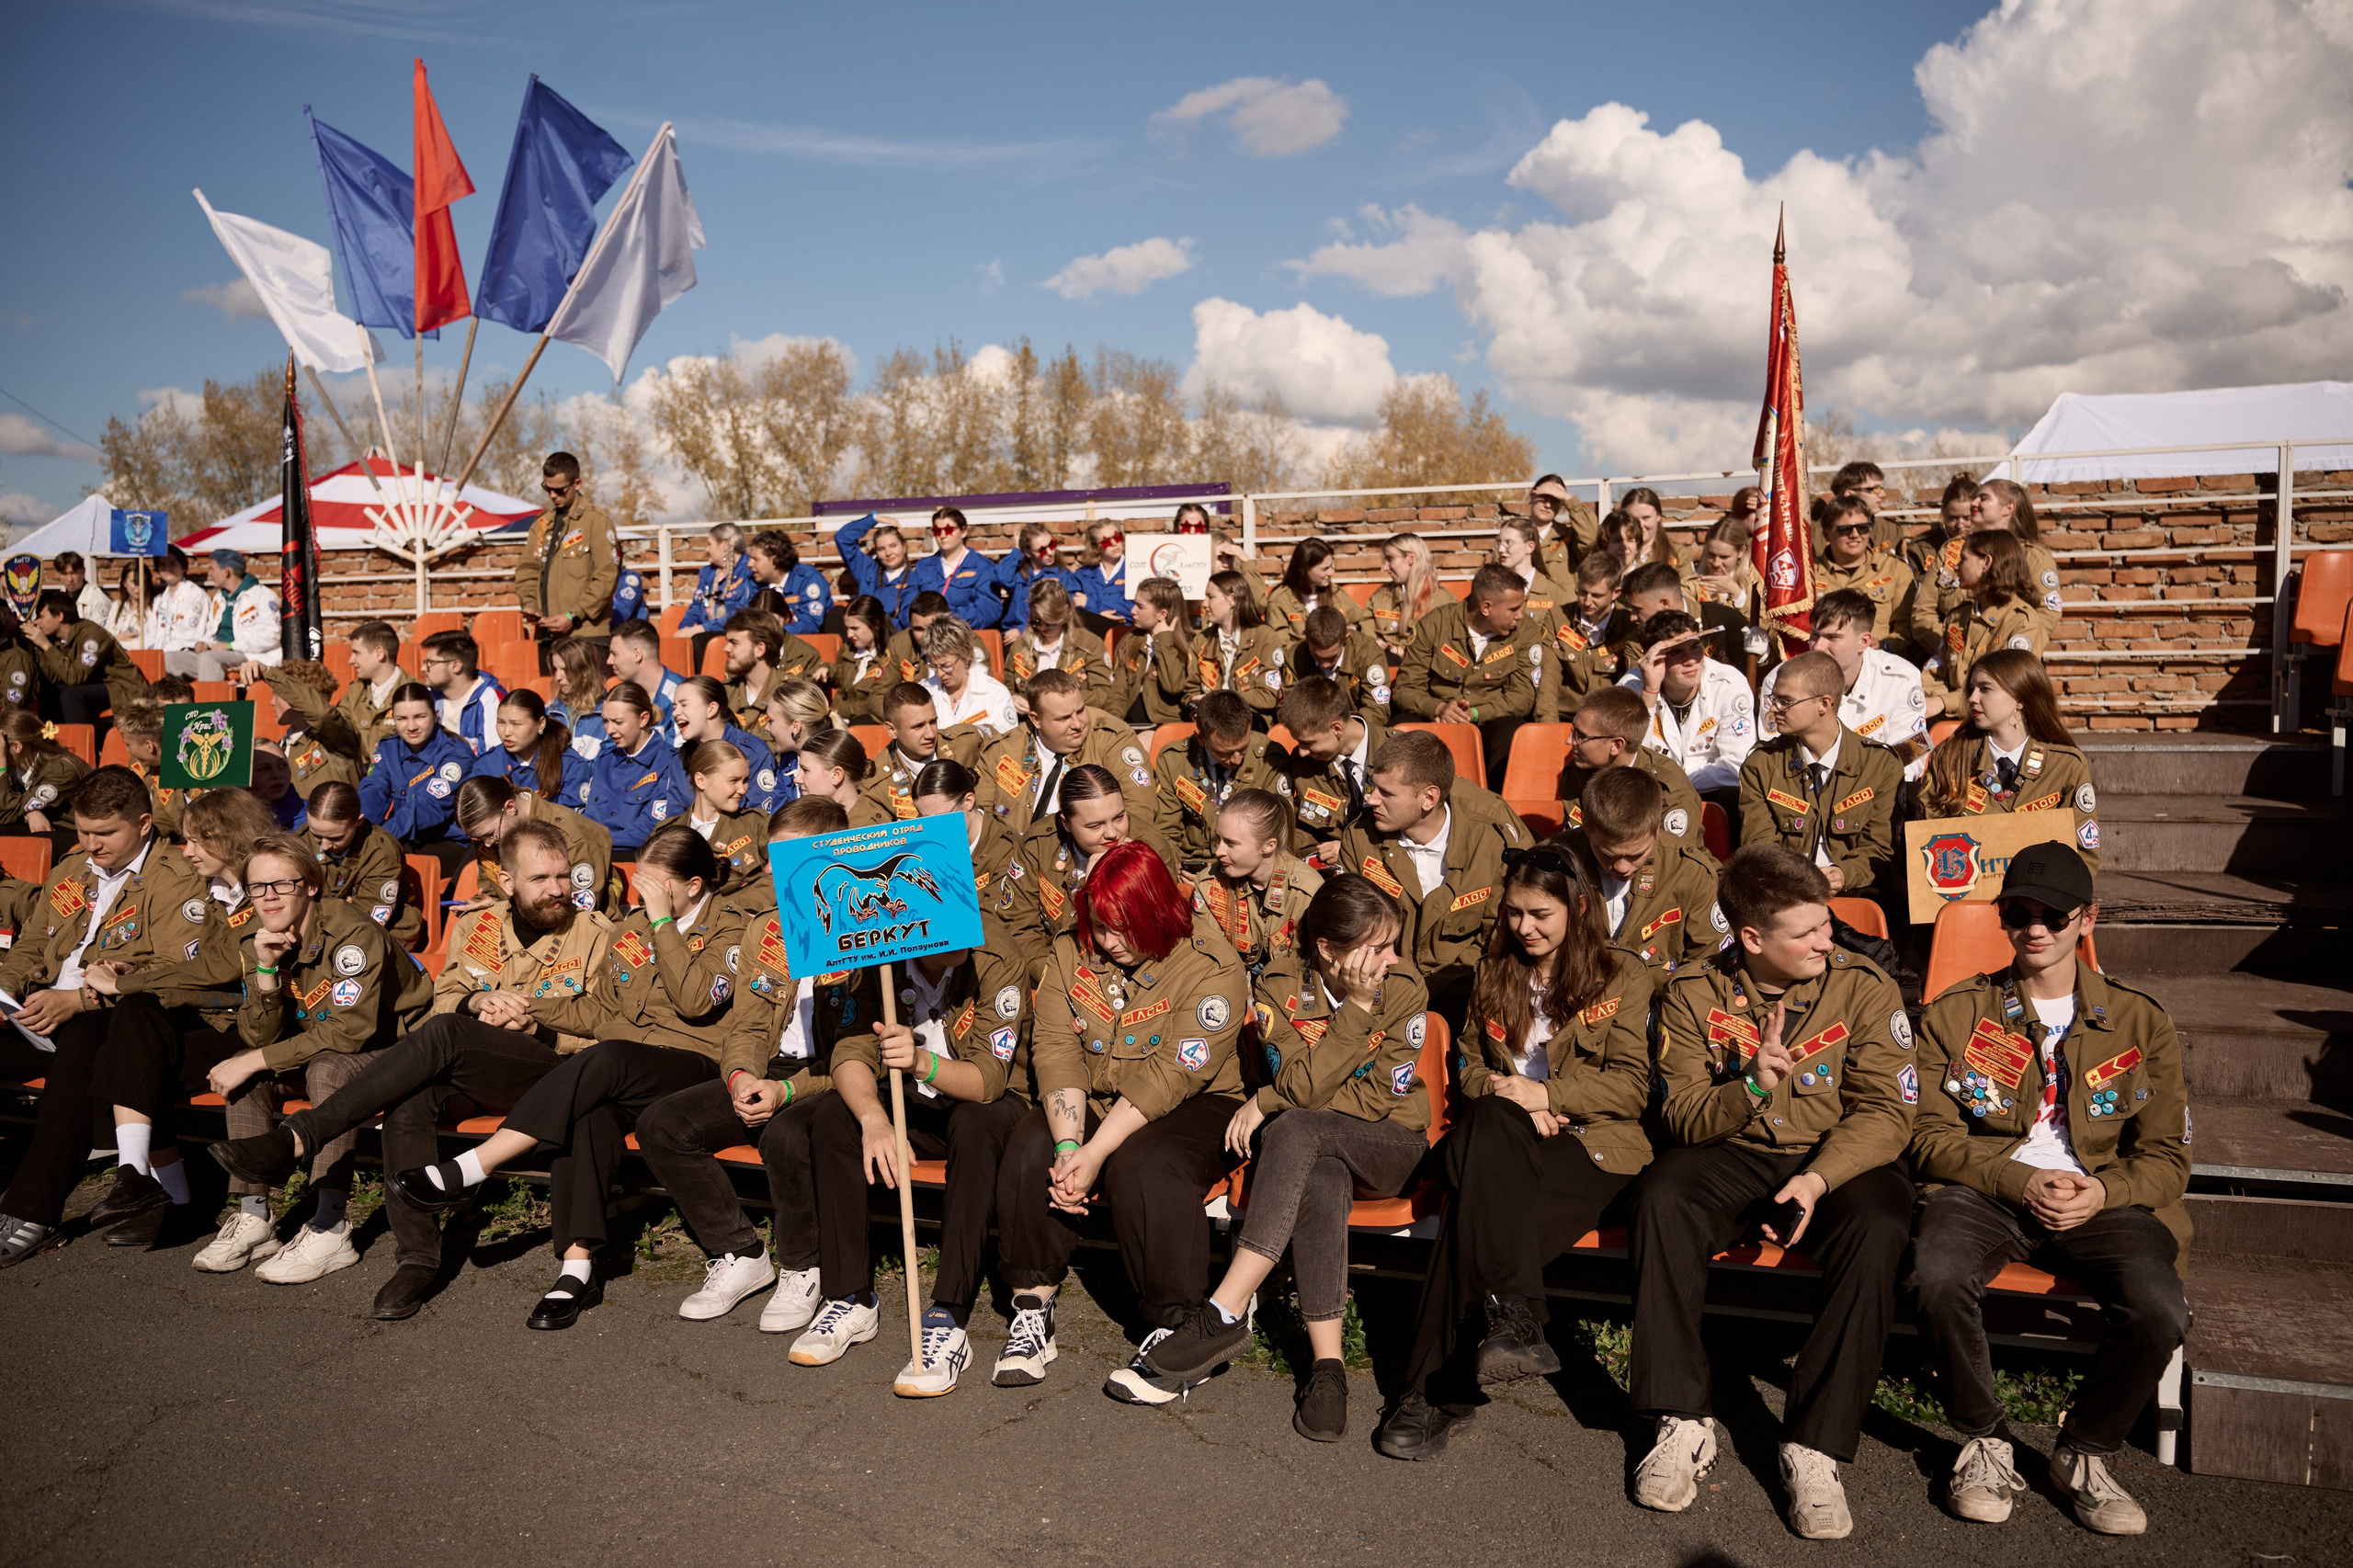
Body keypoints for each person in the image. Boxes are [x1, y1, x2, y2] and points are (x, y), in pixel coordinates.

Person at [209, 816, 615, 1319]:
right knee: (409, 1100)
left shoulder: (598, 935)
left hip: (553, 1072)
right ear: (507, 882)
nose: (558, 890)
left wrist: (534, 1025)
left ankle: (298, 1136)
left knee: (442, 1034)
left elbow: (608, 1023)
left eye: (562, 876)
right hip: (477, 1067)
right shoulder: (477, 924)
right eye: (541, 879)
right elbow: (447, 998)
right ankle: (418, 1258)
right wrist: (476, 1003)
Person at [1632, 845, 1915, 1540]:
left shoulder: (1864, 985)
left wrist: (1818, 1179)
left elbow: (1888, 1111)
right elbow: (1682, 1117)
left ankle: (1814, 1446)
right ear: (1752, 938)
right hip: (1734, 1150)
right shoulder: (1695, 990)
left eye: (1825, 923)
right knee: (1664, 1196)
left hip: (1832, 1159)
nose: (1827, 939)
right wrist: (1752, 1086)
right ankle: (1681, 1419)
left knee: (1879, 1223)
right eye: (1808, 931)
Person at [1906, 843, 2188, 1537]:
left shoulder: (2139, 1020)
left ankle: (2084, 1452)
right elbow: (1926, 1137)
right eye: (2017, 914)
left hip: (2098, 1196)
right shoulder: (1955, 1013)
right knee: (1934, 1276)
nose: (2034, 928)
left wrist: (2103, 1190)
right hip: (1984, 1188)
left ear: (2086, 919)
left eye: (2053, 915)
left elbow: (2167, 1157)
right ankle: (1984, 1439)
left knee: (2158, 1307)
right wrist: (2018, 1178)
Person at [387, 824, 745, 1328]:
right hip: (626, 1069)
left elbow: (694, 999)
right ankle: (577, 1269)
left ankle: (474, 1166)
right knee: (588, 1111)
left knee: (606, 1058)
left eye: (655, 885)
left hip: (692, 1066)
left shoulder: (734, 928)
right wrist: (530, 1008)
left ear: (692, 885)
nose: (643, 895)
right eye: (642, 882)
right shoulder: (631, 930)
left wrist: (662, 921)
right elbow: (597, 1009)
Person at [1372, 844, 1654, 1460]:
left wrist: (1547, 1093)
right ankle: (1512, 1320)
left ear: (1578, 910)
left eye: (1540, 916)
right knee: (1495, 1125)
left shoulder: (1622, 975)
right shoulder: (1494, 969)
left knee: (1469, 1222)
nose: (1523, 927)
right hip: (1497, 1133)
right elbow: (1470, 1069)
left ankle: (1428, 1394)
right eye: (1514, 913)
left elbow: (1632, 1086)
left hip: (1589, 1145)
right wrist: (1510, 1095)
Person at [1147, 878, 1428, 1437]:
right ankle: (1329, 1369)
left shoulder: (1404, 987)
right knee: (1319, 1172)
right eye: (1378, 947)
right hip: (1316, 1149)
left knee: (1298, 1126)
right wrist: (1349, 1018)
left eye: (1393, 943)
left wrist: (1272, 1099)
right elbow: (1299, 1082)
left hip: (1393, 1144)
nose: (1393, 957)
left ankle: (1224, 1310)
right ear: (1328, 949)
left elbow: (1374, 1102)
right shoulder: (1278, 985)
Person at [990, 839, 1247, 1402]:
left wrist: (1096, 1151)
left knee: (1146, 1165)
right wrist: (1067, 1149)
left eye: (1120, 930)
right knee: (1031, 1146)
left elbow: (1171, 1076)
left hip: (1198, 1102)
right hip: (1097, 1092)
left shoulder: (1212, 967)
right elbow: (1055, 1047)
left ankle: (1176, 1325)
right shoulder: (1074, 948)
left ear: (1156, 913)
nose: (1106, 944)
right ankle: (1033, 1304)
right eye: (1099, 928)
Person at [773, 908, 1032, 1393]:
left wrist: (918, 1061)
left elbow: (988, 1081)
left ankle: (948, 1317)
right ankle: (849, 1297)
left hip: (985, 1101)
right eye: (940, 925)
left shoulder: (996, 955)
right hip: (910, 1100)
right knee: (834, 1114)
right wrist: (874, 1119)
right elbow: (850, 1053)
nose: (960, 933)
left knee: (975, 1127)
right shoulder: (877, 954)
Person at [623, 799, 850, 1330]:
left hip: (833, 1076)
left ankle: (803, 1265)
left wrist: (787, 1092)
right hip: (773, 1064)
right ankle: (741, 1253)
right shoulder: (765, 928)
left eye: (791, 859)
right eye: (773, 859)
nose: (775, 873)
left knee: (784, 1135)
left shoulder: (865, 928)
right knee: (662, 1124)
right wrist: (742, 1076)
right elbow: (747, 1025)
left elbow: (856, 1049)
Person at [0, 767, 230, 1267]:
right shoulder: (71, 868)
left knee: (82, 1047)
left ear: (144, 824)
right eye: (83, 831)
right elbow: (35, 944)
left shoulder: (176, 877)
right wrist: (5, 988)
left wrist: (80, 1001)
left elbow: (177, 969)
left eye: (105, 833)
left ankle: (31, 1210)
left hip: (115, 1015)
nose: (91, 844)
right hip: (36, 1008)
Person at [199, 831, 434, 1281]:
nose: (268, 897)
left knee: (326, 1068)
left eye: (282, 884)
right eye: (257, 887)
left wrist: (257, 1056)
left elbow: (350, 1032)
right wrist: (266, 974)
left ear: (309, 885)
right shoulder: (258, 934)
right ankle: (254, 1217)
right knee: (246, 1073)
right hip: (324, 1039)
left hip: (396, 1048)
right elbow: (255, 1034)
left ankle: (330, 1224)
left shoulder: (353, 934)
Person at [70, 787, 267, 1257]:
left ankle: (169, 1196)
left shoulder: (267, 887)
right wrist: (133, 976)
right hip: (219, 1014)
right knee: (136, 1034)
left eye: (198, 841)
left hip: (260, 1025)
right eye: (185, 840)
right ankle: (138, 1179)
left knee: (138, 1042)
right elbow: (199, 967)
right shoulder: (218, 891)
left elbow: (222, 972)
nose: (188, 851)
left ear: (231, 839)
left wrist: (130, 984)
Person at [1336, 728, 1528, 1020]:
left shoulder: (1491, 843)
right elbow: (1352, 929)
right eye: (1373, 787)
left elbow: (1497, 938)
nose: (1372, 800)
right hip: (1384, 994)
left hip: (1467, 996)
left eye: (1386, 793)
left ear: (1429, 798)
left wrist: (1430, 989)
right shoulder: (1359, 839)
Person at [1740, 652, 1904, 900]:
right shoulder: (1761, 764)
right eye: (1774, 699)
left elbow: (1880, 849)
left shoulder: (1880, 764)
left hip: (1858, 893)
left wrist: (1844, 873)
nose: (1774, 709)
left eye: (1786, 701)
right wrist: (1801, 878)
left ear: (1824, 704)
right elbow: (1759, 848)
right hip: (1784, 897)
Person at [1920, 650, 2103, 872]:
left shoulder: (2066, 766)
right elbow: (1924, 841)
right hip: (1968, 899)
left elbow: (2084, 857)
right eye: (1972, 689)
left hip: (2039, 901)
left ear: (2020, 700)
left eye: (1985, 689)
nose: (1972, 698)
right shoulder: (1949, 758)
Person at [1002, 763, 1179, 981]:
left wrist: (1101, 885)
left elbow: (1159, 933)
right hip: (1054, 970)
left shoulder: (1151, 849)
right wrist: (1057, 975)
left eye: (1119, 817)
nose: (1113, 833)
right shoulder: (1038, 845)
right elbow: (1019, 926)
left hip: (1129, 976)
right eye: (1095, 826)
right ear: (1066, 823)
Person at [1558, 766, 1727, 976]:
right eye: (1607, 855)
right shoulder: (1554, 863)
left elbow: (1708, 966)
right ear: (1587, 827)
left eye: (1636, 855)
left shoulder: (1689, 872)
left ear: (1656, 829)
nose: (1622, 867)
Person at [1760, 590, 1931, 782]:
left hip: (1876, 791)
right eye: (1814, 635)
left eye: (1833, 638)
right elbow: (1773, 755)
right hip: (1804, 789)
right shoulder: (1781, 680)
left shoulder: (1901, 678)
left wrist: (1858, 788)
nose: (1817, 647)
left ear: (1863, 642)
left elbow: (1913, 752)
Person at [1392, 564, 1536, 792]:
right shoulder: (1435, 625)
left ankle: (1499, 807)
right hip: (1436, 721)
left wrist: (1475, 713)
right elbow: (1404, 689)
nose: (1520, 615)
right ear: (1486, 607)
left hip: (1489, 722)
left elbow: (1523, 696)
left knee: (1513, 731)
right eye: (1514, 609)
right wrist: (1438, 708)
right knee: (1399, 727)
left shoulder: (1526, 631)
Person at [974, 668, 1156, 835]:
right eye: (1064, 718)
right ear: (1036, 719)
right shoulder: (1002, 750)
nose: (1077, 724)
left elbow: (1140, 812)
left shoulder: (1112, 738)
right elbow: (980, 820)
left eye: (1080, 710)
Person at [1620, 610, 1756, 820]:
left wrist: (1678, 784)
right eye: (1676, 653)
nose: (1691, 660)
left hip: (1711, 791)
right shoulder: (1630, 687)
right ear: (1654, 658)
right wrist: (1650, 692)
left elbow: (1736, 765)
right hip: (1649, 796)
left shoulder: (1728, 682)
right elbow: (1629, 758)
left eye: (1695, 647)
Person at [1152, 689, 1291, 871]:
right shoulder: (1174, 760)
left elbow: (1278, 834)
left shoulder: (1269, 758)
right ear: (1201, 738)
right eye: (1224, 753)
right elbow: (1167, 834)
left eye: (1243, 749)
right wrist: (1172, 871)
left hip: (1248, 867)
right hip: (1191, 865)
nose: (1236, 760)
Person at [1191, 788, 1321, 981]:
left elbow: (1311, 966)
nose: (1218, 851)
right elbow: (1210, 958)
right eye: (1218, 839)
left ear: (1268, 846)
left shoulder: (1307, 892)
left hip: (1291, 985)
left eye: (1231, 843)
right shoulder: (1208, 884)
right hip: (1231, 980)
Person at [1552, 685, 1707, 846]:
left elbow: (1672, 858)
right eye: (1572, 731)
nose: (1569, 741)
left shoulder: (1669, 787)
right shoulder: (1578, 772)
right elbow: (1577, 842)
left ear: (1616, 746)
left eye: (1580, 736)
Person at [358, 683, 480, 879]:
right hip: (403, 836)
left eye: (420, 717)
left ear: (435, 715)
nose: (411, 726)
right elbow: (373, 790)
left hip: (448, 843)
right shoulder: (388, 748)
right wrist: (358, 829)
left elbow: (427, 807)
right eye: (402, 719)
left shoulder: (456, 755)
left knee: (383, 859)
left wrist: (378, 839)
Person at [1923, 531, 2047, 720]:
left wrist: (1944, 701)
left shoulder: (2021, 621)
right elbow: (1935, 672)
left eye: (1963, 559)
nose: (1956, 566)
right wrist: (1936, 700)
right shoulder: (1958, 616)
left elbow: (2005, 688)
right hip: (1951, 718)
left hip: (1999, 725)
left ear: (1986, 563)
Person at [451, 775, 614, 917]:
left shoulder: (572, 836)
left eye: (490, 834)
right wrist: (478, 907)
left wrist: (501, 910)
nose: (487, 843)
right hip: (516, 930)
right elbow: (491, 892)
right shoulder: (494, 837)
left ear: (510, 807)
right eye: (479, 838)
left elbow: (578, 912)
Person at [516, 451, 620, 669]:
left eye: (560, 490)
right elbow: (527, 569)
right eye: (547, 488)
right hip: (548, 637)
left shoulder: (596, 521)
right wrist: (530, 605)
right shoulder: (542, 524)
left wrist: (573, 615)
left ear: (577, 483)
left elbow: (606, 577)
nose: (553, 495)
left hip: (586, 636)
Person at [1495, 516, 1598, 721]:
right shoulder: (1490, 591)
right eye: (1498, 542)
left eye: (1508, 542)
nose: (1500, 549)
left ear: (1530, 546)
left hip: (1544, 687)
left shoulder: (1555, 593)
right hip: (1502, 685)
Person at [1276, 676, 1388, 861]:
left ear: (1336, 728)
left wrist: (1353, 850)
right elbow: (1301, 832)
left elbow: (1417, 834)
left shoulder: (1400, 755)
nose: (1302, 751)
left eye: (1308, 742)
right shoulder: (1303, 763)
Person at [303, 779, 425, 948]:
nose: (324, 846)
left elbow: (367, 918)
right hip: (314, 928)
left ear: (358, 822)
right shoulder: (301, 841)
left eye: (335, 838)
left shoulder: (382, 852)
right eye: (316, 835)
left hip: (380, 932)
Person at [267, 619, 409, 762]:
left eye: (356, 653)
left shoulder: (415, 692)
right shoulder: (354, 694)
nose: (351, 660)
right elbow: (334, 727)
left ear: (379, 653)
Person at [1812, 494, 1920, 661]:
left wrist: (1885, 645)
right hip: (1819, 663)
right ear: (1826, 534)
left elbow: (1907, 629)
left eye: (1863, 527)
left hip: (1878, 664)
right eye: (1845, 529)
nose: (1855, 535)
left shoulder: (1895, 570)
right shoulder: (1809, 573)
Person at [27, 587, 149, 727]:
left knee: (71, 695)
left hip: (123, 688)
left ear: (59, 616)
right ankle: (55, 741)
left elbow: (75, 677)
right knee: (51, 691)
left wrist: (46, 645)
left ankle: (80, 744)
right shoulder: (58, 639)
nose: (37, 622)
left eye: (41, 616)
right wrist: (37, 647)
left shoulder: (92, 635)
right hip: (95, 685)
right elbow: (55, 677)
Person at [1185, 569, 1286, 725]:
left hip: (1250, 722)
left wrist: (1220, 700)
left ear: (1232, 599)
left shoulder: (1265, 637)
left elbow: (1268, 696)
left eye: (1210, 597)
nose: (1204, 603)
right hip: (1209, 722)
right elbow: (1189, 693)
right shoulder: (1201, 641)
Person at [673, 674, 783, 814]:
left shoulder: (753, 752)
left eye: (684, 704)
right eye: (674, 706)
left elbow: (758, 815)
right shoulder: (679, 759)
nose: (676, 712)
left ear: (711, 709)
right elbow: (673, 817)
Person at [1004, 577, 1114, 715]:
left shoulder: (1089, 644)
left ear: (1065, 614)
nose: (1043, 627)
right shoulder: (1019, 647)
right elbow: (1006, 689)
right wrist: (1012, 699)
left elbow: (1102, 693)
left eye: (1050, 623)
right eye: (1036, 621)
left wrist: (1060, 704)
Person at [471, 688, 592, 809]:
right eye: (501, 722)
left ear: (541, 724)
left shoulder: (569, 764)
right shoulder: (486, 765)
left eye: (516, 724)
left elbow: (572, 820)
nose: (506, 732)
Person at [1278, 604, 1396, 726]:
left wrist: (1341, 728)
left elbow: (1377, 710)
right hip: (1311, 730)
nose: (1324, 665)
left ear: (1345, 639)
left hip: (1355, 731)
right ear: (1306, 639)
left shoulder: (1368, 653)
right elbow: (1286, 708)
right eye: (1316, 656)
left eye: (1331, 657)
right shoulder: (1295, 656)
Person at [1620, 561, 1754, 668]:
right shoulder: (1636, 642)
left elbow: (1754, 673)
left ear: (1664, 603)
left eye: (1638, 609)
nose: (1632, 617)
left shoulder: (1722, 620)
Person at [167, 550, 279, 679]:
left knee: (209, 659)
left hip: (248, 655)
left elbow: (272, 635)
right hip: (215, 653)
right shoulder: (219, 598)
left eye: (212, 569)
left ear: (226, 572)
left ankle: (211, 699)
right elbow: (211, 630)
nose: (209, 573)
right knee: (170, 658)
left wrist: (230, 645)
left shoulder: (263, 595)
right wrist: (204, 642)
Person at [261, 660, 366, 797]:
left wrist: (268, 673)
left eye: (276, 695)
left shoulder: (335, 739)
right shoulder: (282, 746)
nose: (272, 702)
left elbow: (322, 715)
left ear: (296, 698)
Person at [681, 738, 769, 890]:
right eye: (733, 780)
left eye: (745, 780)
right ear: (701, 780)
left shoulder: (757, 825)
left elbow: (780, 882)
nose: (742, 789)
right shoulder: (667, 833)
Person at [1107, 576, 1191, 726]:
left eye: (1140, 606)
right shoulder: (1131, 641)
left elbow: (1173, 686)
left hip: (1165, 725)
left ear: (1162, 614)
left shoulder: (1189, 645)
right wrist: (1114, 724)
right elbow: (1118, 691)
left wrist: (1164, 640)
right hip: (1131, 723)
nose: (1133, 611)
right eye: (1134, 604)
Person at [722, 607, 826, 728]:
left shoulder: (792, 695)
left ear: (760, 649)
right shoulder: (724, 694)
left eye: (734, 643)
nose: (726, 648)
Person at [0, 710, 90, 847]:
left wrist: (1, 768)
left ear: (17, 747)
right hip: (47, 822)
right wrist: (29, 813)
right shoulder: (17, 765)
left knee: (25, 842)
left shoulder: (62, 769)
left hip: (81, 834)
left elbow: (6, 812)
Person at [921, 616, 1019, 740]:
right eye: (934, 666)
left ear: (967, 654)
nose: (940, 673)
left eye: (946, 666)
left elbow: (1008, 743)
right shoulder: (923, 691)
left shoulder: (996, 694)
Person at [1264, 537, 1373, 649]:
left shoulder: (1335, 593)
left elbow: (1363, 621)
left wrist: (1352, 631)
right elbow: (1279, 645)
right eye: (1325, 569)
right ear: (1305, 569)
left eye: (1331, 566)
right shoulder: (1280, 600)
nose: (1331, 572)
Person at [908, 506, 1005, 630]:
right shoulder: (923, 567)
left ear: (964, 532)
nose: (942, 535)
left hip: (965, 635)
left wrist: (951, 618)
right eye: (937, 531)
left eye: (949, 530)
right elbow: (909, 604)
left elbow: (989, 608)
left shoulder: (982, 566)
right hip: (927, 637)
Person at [418, 631, 506, 756]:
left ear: (456, 666)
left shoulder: (491, 699)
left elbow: (494, 761)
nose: (423, 669)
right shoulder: (429, 697)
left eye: (430, 663)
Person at [679, 523, 754, 670]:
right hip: (703, 634)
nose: (707, 549)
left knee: (699, 640)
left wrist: (701, 629)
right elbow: (695, 607)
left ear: (725, 545)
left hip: (733, 633)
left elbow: (742, 614)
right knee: (681, 642)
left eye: (709, 544)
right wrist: (685, 628)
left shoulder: (749, 570)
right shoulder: (708, 573)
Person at [1367, 532, 1440, 668]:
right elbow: (1365, 632)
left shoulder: (1442, 602)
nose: (1385, 567)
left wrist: (1401, 653)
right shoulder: (1380, 597)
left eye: (1390, 559)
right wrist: (1375, 643)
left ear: (1410, 558)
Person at [835, 514, 921, 626]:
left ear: (904, 547)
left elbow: (908, 621)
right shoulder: (867, 569)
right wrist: (874, 518)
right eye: (881, 549)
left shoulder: (914, 579)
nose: (888, 553)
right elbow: (843, 537)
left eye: (893, 546)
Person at [745, 529, 833, 635]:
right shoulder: (752, 583)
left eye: (755, 559)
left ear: (775, 560)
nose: (749, 564)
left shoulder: (808, 578)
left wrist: (775, 633)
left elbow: (811, 623)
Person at [1002, 523, 1087, 631]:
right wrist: (1018, 550)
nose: (1049, 553)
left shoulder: (1063, 575)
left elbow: (1067, 611)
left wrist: (1023, 630)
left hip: (1047, 632)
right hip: (1014, 634)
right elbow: (1000, 577)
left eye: (1051, 545)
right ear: (1028, 552)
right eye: (1042, 550)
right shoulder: (1019, 573)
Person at [607, 620, 688, 734]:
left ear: (637, 655)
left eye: (614, 654)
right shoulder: (621, 694)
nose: (609, 661)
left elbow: (679, 751)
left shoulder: (680, 696)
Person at [830, 595, 896, 723]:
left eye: (855, 628)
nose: (849, 634)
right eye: (847, 628)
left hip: (865, 724)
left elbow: (879, 703)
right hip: (837, 721)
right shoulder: (848, 649)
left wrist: (842, 710)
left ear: (875, 625)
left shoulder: (893, 656)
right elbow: (840, 673)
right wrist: (826, 669)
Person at [547, 636, 611, 757]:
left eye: (564, 669)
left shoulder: (608, 713)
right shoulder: (550, 712)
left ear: (585, 671)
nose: (557, 677)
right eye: (556, 669)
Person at [1690, 518, 1763, 624]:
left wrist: (1738, 595)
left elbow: (1767, 629)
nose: (1716, 563)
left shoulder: (1756, 585)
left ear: (1741, 551)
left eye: (1724, 557)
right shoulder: (1691, 585)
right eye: (1711, 554)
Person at [142, 546, 211, 655]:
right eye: (163, 565)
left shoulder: (196, 595)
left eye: (173, 564)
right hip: (158, 657)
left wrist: (163, 653)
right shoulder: (159, 600)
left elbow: (191, 634)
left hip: (184, 655)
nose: (167, 569)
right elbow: (151, 632)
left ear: (183, 567)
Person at [1528, 473, 1599, 572]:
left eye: (1556, 500)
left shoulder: (1569, 537)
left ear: (1562, 505)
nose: (1548, 505)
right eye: (1543, 497)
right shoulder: (1513, 533)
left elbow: (1589, 537)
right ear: (1531, 498)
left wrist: (1568, 498)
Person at [1070, 517, 1133, 626]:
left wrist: (1092, 606)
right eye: (1106, 541)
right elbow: (1072, 612)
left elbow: (1135, 610)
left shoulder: (1134, 570)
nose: (1114, 543)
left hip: (1125, 634)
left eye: (1117, 537)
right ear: (1095, 548)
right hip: (1092, 636)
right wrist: (1099, 615)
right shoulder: (1081, 575)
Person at [1618, 486, 1688, 571]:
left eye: (1646, 518)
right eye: (1634, 519)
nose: (1640, 525)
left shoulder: (1677, 554)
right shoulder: (1614, 551)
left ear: (1658, 516)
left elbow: (1688, 583)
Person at [51, 551, 108, 627]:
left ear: (83, 572)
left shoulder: (98, 600)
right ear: (57, 574)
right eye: (65, 574)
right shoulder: (57, 600)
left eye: (73, 573)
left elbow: (97, 635)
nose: (70, 579)